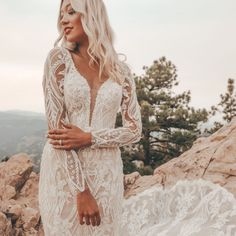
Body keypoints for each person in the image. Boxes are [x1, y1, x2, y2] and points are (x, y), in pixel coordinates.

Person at [38, 0, 236, 235]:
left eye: (71, 11)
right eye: (61, 14)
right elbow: (58, 134)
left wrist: (90, 137)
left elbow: (133, 130)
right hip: (65, 176)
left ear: (91, 15)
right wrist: (81, 190)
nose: (63, 19)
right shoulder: (58, 60)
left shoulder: (120, 70)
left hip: (106, 174)